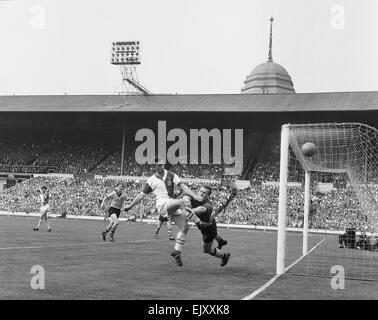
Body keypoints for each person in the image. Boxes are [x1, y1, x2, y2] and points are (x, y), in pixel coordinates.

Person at [124, 157, 203, 266]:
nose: (161, 166)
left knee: (185, 227)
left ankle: (177, 252)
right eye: (159, 165)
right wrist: (130, 206)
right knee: (182, 202)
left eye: (162, 164)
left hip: (171, 204)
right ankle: (199, 223)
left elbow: (183, 186)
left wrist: (194, 196)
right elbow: (141, 196)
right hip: (161, 204)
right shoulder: (152, 180)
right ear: (155, 166)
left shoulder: (171, 175)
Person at [185, 186, 230, 267]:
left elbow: (201, 209)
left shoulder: (208, 205)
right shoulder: (195, 197)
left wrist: (192, 210)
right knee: (213, 237)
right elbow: (186, 196)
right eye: (200, 191)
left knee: (207, 250)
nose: (201, 194)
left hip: (208, 228)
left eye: (204, 193)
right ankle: (221, 241)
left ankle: (224, 256)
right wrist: (187, 201)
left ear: (208, 196)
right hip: (205, 224)